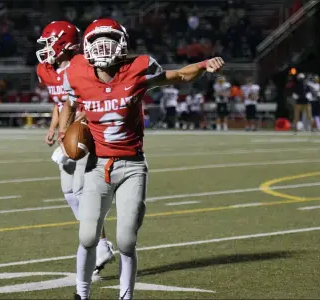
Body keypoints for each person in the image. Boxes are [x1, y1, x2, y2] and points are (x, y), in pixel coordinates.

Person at [57, 18, 225, 300]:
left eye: (109, 40)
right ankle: (81, 295)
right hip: (97, 165)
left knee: (126, 241)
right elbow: (70, 103)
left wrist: (202, 65)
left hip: (132, 165)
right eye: (97, 41)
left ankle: (125, 296)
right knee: (87, 237)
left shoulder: (138, 68)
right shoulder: (76, 72)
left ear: (122, 44)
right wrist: (64, 131)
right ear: (86, 46)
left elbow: (179, 76)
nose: (103, 47)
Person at [35, 21, 115, 274]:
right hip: (66, 132)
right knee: (69, 193)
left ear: (65, 43)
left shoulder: (84, 64)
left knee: (81, 191)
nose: (46, 48)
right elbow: (60, 103)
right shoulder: (45, 69)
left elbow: (91, 102)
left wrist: (70, 129)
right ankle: (97, 242)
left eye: (49, 42)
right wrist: (53, 126)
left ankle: (99, 246)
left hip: (86, 132)